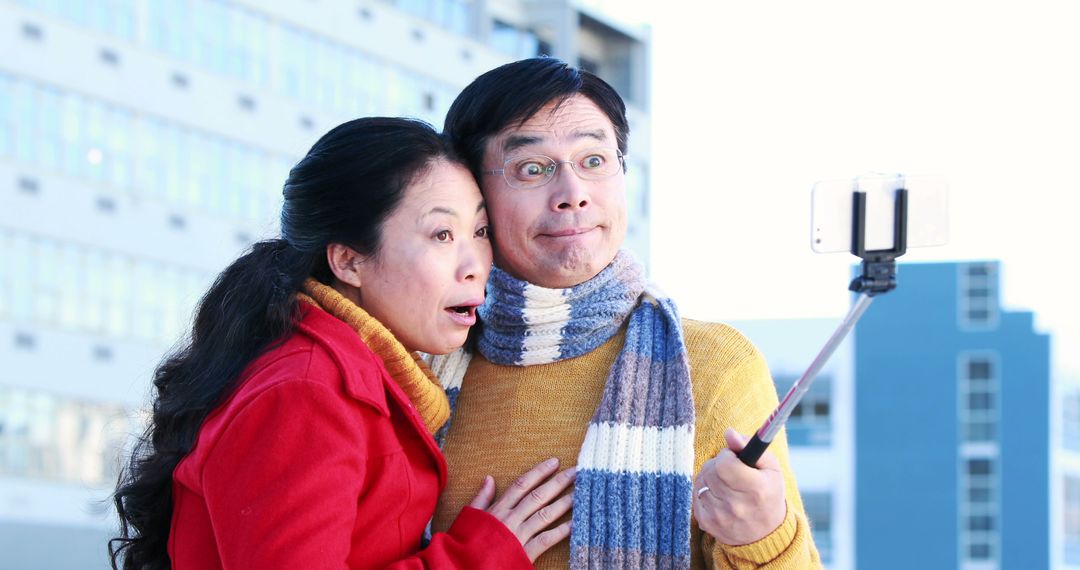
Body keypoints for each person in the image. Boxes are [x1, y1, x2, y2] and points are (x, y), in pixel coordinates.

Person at [109, 117, 576, 569]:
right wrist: (478, 558)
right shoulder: (305, 393)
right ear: (349, 261)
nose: (475, 263)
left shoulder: (355, 374)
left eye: (479, 232)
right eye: (442, 234)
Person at [428, 58, 822, 569]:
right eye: (533, 168)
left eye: (594, 161)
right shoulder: (418, 366)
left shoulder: (714, 366)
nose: (573, 195)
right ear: (473, 194)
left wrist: (762, 536)